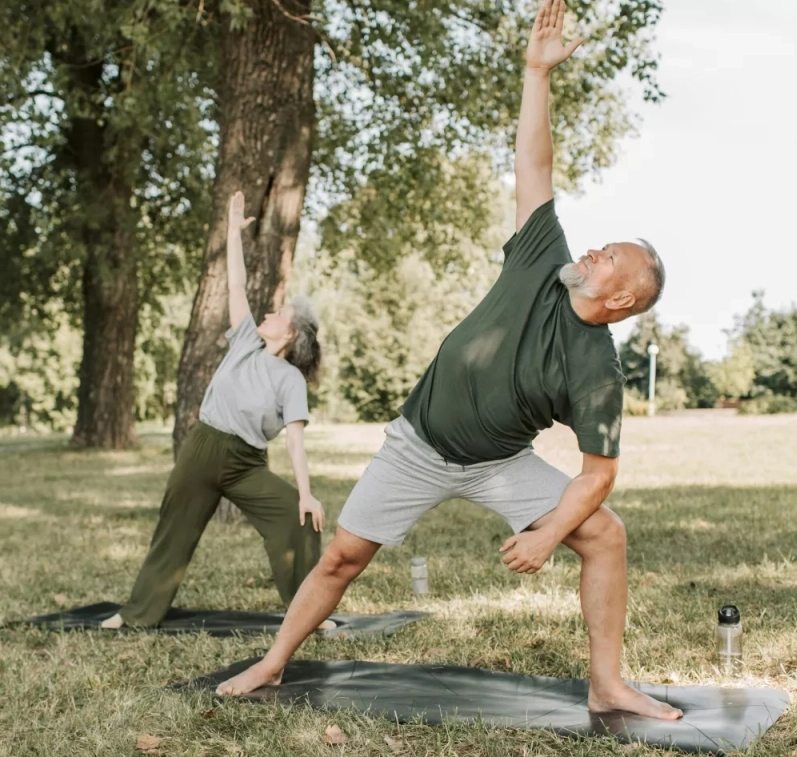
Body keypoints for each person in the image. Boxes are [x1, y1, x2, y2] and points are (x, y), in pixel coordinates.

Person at [217, 0, 678, 719]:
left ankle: (607, 683)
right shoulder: (542, 256)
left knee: (604, 533)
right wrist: (536, 73)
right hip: (419, 443)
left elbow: (599, 474)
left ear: (620, 300)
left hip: (496, 461)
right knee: (341, 557)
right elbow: (534, 159)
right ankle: (273, 664)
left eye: (609, 256)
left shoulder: (597, 368)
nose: (593, 249)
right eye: (601, 242)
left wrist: (549, 531)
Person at [101, 190, 325, 630]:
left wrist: (305, 492)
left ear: (291, 334)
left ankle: (309, 616)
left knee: (297, 519)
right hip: (203, 449)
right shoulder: (244, 340)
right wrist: (232, 230)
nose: (267, 311)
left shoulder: (290, 380)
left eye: (277, 313)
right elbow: (236, 283)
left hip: (246, 464)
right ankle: (137, 615)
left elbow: (295, 441)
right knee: (174, 531)